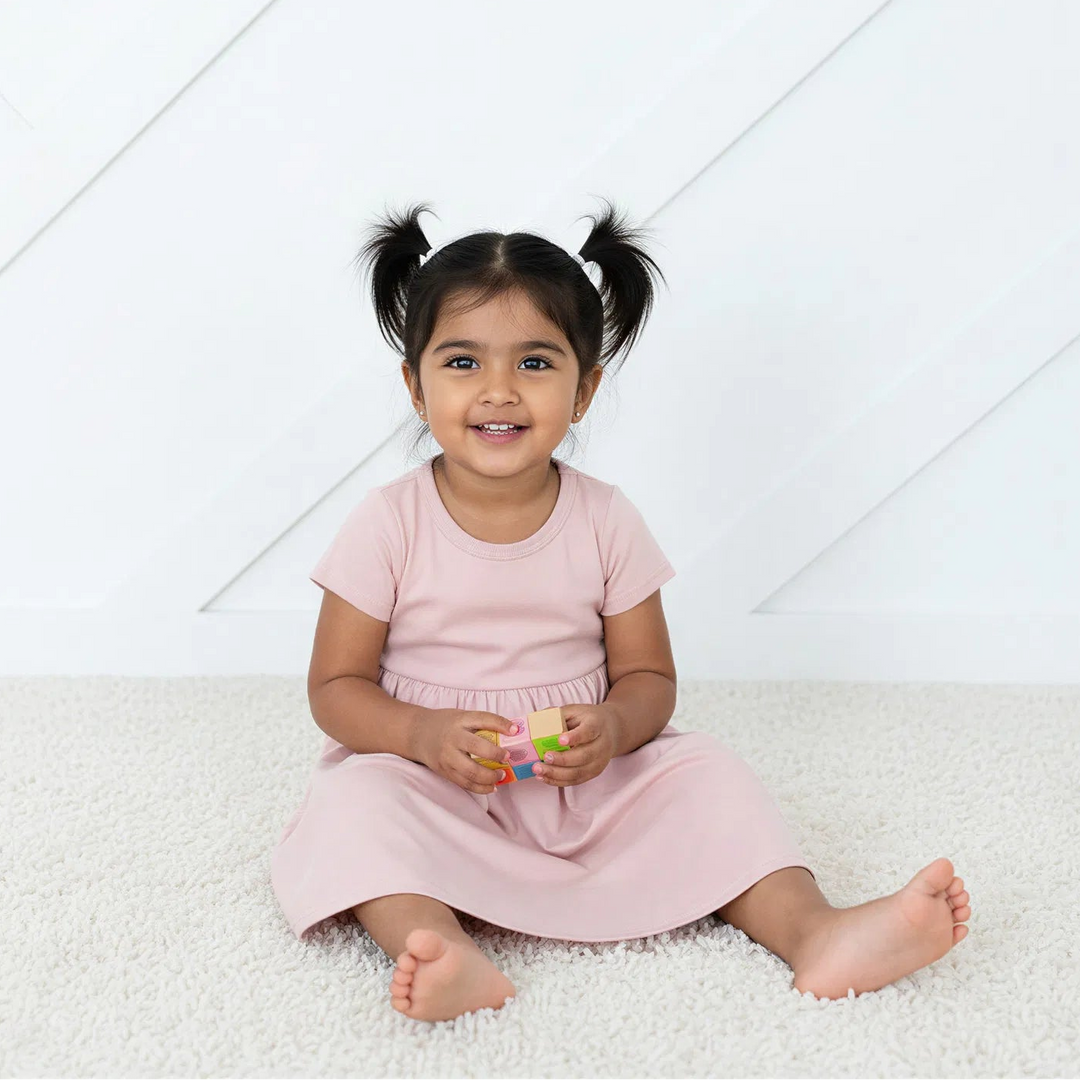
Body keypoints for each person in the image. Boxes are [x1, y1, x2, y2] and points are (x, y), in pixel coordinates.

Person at [270, 199, 972, 1023]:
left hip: (584, 780)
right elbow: (336, 688)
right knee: (355, 806)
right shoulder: (389, 519)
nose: (499, 391)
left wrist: (612, 729)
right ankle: (442, 947)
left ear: (586, 386)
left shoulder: (606, 517)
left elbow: (647, 675)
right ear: (414, 385)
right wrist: (421, 736)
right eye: (462, 363)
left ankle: (816, 931)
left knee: (707, 775)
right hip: (436, 780)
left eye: (535, 364)